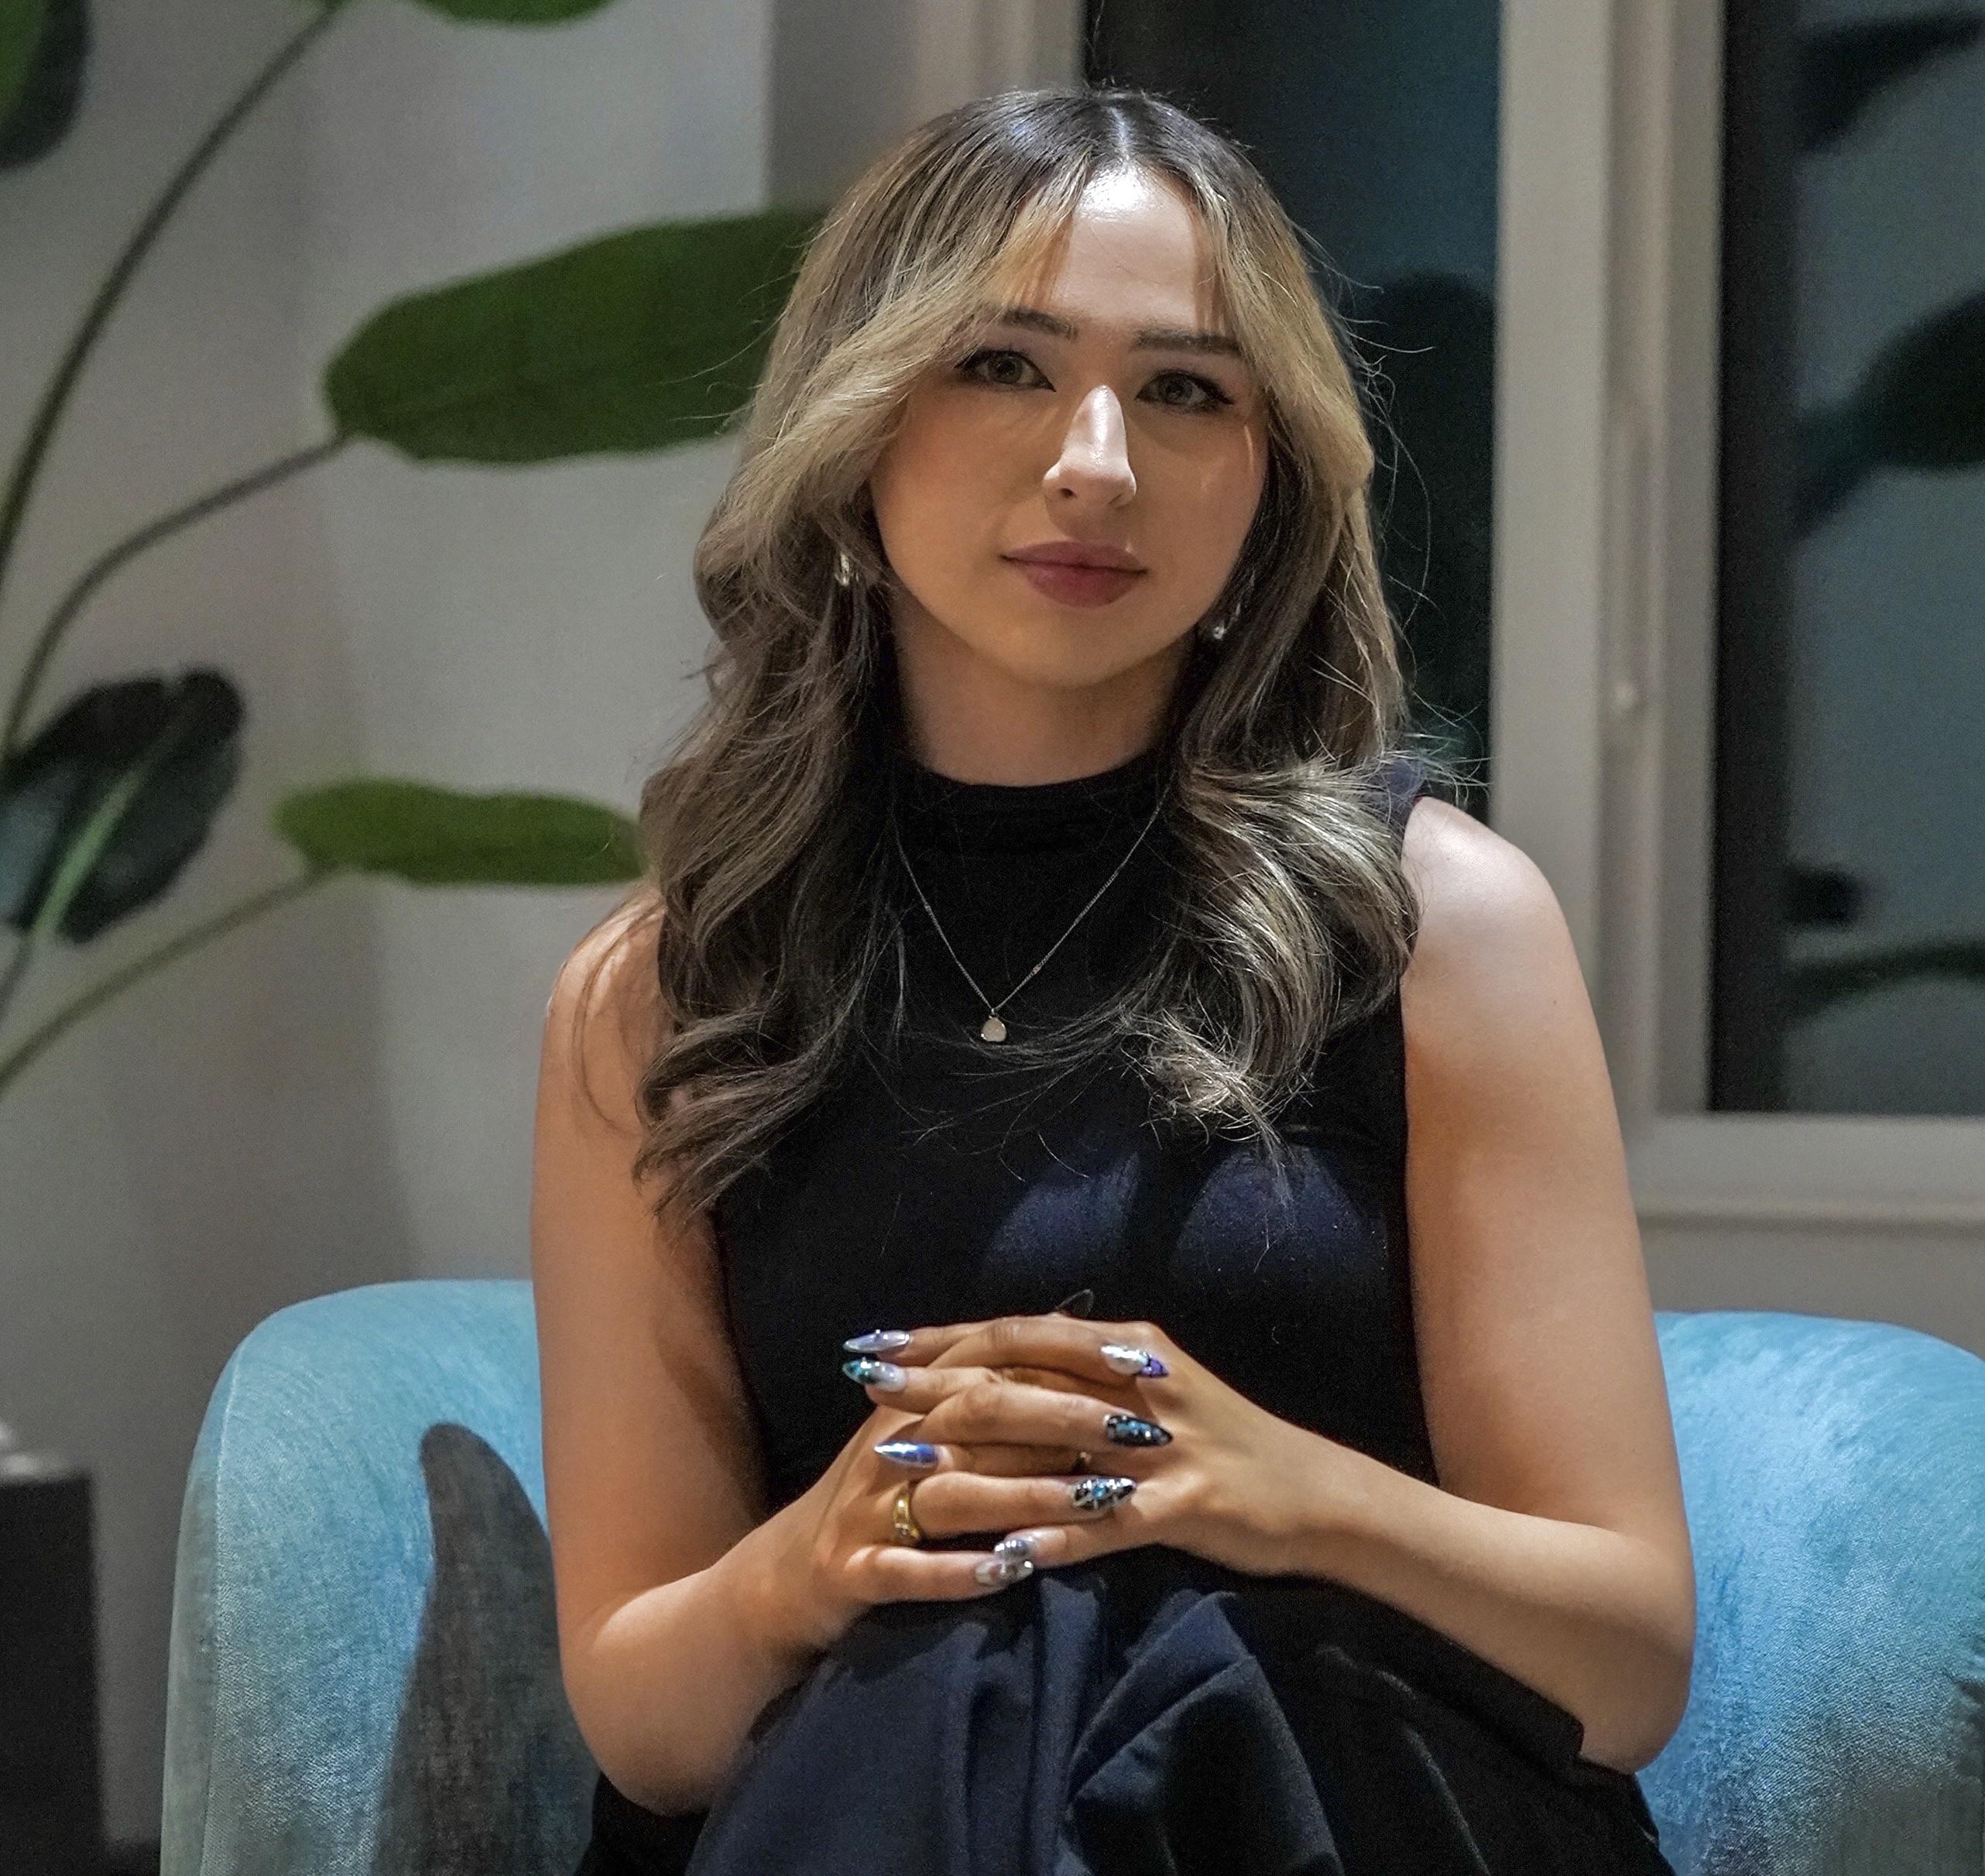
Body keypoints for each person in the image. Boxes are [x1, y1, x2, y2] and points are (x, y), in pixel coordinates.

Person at [530, 84, 1693, 1876]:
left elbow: (1624, 1662)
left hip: (1341, 1802)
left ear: (1268, 481)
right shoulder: (670, 991)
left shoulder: (1434, 925)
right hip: (872, 1813)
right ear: (855, 435)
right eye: (1003, 365)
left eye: (1186, 389)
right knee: (954, 1680)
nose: (1096, 459)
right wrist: (820, 1553)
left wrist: (1279, 1492)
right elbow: (653, 1734)